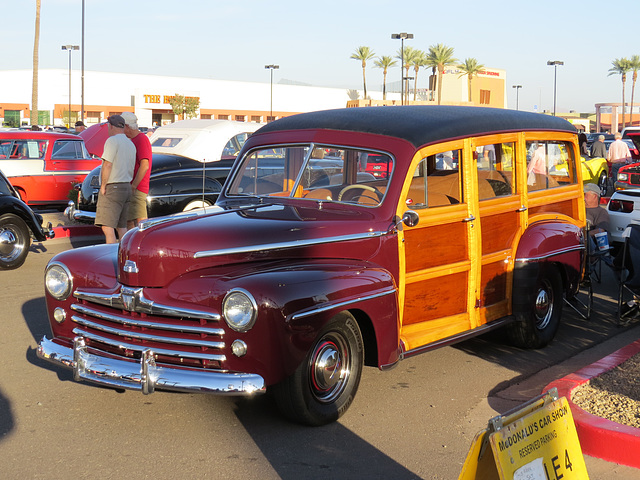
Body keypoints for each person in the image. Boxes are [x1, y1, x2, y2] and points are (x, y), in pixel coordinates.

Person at [95, 114, 136, 244]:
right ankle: (124, 254)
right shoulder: (130, 144)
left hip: (113, 187)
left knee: (107, 227)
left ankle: (111, 255)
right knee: (121, 226)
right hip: (126, 186)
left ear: (111, 126)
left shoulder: (112, 141)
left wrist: (103, 185)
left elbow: (107, 164)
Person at [121, 112, 152, 229]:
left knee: (140, 221)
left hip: (137, 188)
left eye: (122, 126)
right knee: (129, 220)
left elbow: (145, 165)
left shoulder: (141, 139)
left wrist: (134, 186)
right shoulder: (132, 140)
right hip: (131, 186)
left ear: (127, 126)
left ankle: (137, 245)